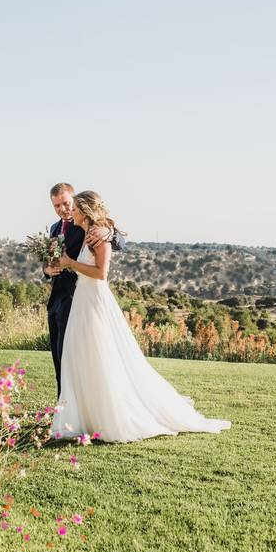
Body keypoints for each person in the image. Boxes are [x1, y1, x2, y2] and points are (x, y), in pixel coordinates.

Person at [51, 191, 231, 443]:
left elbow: (101, 272)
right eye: (59, 205)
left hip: (94, 301)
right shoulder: (77, 232)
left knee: (101, 356)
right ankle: (84, 416)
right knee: (78, 357)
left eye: (73, 207)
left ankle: (111, 416)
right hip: (82, 300)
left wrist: (71, 261)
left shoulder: (99, 234)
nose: (70, 212)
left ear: (84, 210)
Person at [44, 183, 125, 399]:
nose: (63, 209)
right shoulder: (53, 229)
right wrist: (47, 269)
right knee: (58, 357)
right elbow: (50, 260)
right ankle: (63, 407)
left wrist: (109, 231)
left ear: (74, 200)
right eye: (57, 206)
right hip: (55, 299)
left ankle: (70, 406)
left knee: (69, 356)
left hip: (77, 299)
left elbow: (118, 241)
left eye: (66, 203)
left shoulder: (89, 225)